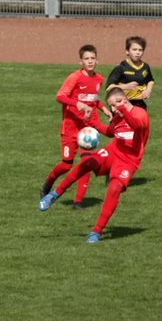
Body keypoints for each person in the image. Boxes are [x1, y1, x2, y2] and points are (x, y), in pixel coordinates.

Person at [38, 86, 150, 243]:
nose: (112, 108)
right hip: (113, 151)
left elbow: (137, 125)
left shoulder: (139, 113)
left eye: (115, 104)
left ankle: (96, 232)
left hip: (129, 161)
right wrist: (90, 121)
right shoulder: (118, 116)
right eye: (110, 105)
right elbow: (110, 132)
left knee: (114, 188)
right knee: (87, 162)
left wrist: (123, 110)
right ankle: (54, 194)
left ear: (124, 100)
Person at [40, 44, 111, 208]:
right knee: (66, 164)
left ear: (97, 60)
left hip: (88, 129)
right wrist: (77, 104)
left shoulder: (99, 79)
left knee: (87, 161)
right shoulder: (75, 78)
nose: (90, 61)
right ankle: (48, 184)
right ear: (81, 62)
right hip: (71, 128)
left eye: (93, 58)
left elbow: (93, 99)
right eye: (87, 59)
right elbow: (60, 96)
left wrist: (104, 109)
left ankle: (78, 201)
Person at [105, 35, 155, 109]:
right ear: (127, 51)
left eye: (140, 50)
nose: (137, 52)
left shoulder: (145, 67)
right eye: (134, 50)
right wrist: (125, 86)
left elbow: (150, 80)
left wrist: (148, 90)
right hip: (123, 105)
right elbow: (109, 87)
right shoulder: (121, 67)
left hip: (140, 105)